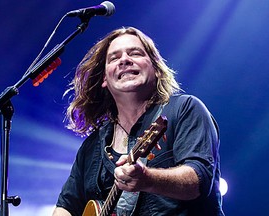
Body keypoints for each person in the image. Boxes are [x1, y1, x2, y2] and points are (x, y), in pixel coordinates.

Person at [52, 26, 224, 216]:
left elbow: (199, 180)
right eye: (114, 58)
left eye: (135, 53)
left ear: (156, 69)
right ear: (104, 79)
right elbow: (66, 206)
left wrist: (148, 179)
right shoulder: (91, 147)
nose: (124, 60)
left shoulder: (184, 109)